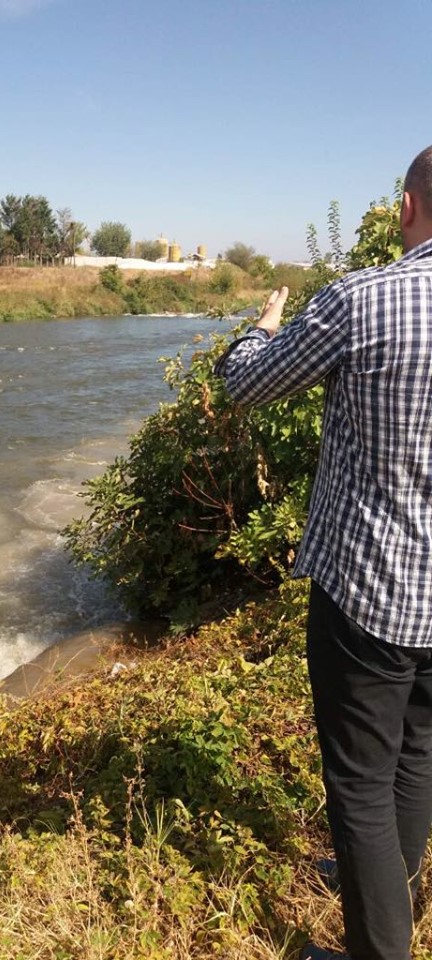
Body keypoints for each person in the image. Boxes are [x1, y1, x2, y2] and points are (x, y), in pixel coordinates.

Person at [213, 145, 432, 960]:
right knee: (417, 756)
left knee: (362, 788)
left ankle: (377, 945)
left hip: (372, 591)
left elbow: (249, 383)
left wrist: (258, 330)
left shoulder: (364, 299)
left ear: (405, 208)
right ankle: (385, 889)